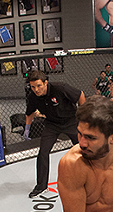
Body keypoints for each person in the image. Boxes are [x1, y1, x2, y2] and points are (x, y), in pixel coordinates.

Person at [23, 70, 86, 198]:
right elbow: (30, 112)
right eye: (33, 86)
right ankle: (41, 186)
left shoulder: (60, 88)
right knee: (43, 153)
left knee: (83, 149)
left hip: (71, 121)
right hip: (52, 124)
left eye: (39, 86)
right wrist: (27, 128)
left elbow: (80, 95)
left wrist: (84, 117)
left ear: (46, 82)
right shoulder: (32, 96)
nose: (36, 89)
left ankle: (89, 179)